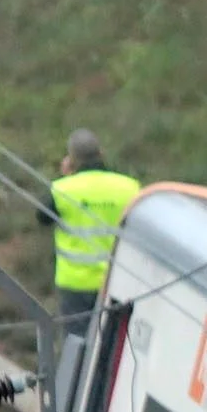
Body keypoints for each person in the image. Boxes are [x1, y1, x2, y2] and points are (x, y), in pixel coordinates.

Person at [48, 130, 142, 306]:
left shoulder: (62, 190)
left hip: (75, 283)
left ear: (71, 159)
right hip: (117, 281)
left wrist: (66, 177)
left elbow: (42, 219)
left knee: (77, 333)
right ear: (101, 153)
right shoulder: (130, 187)